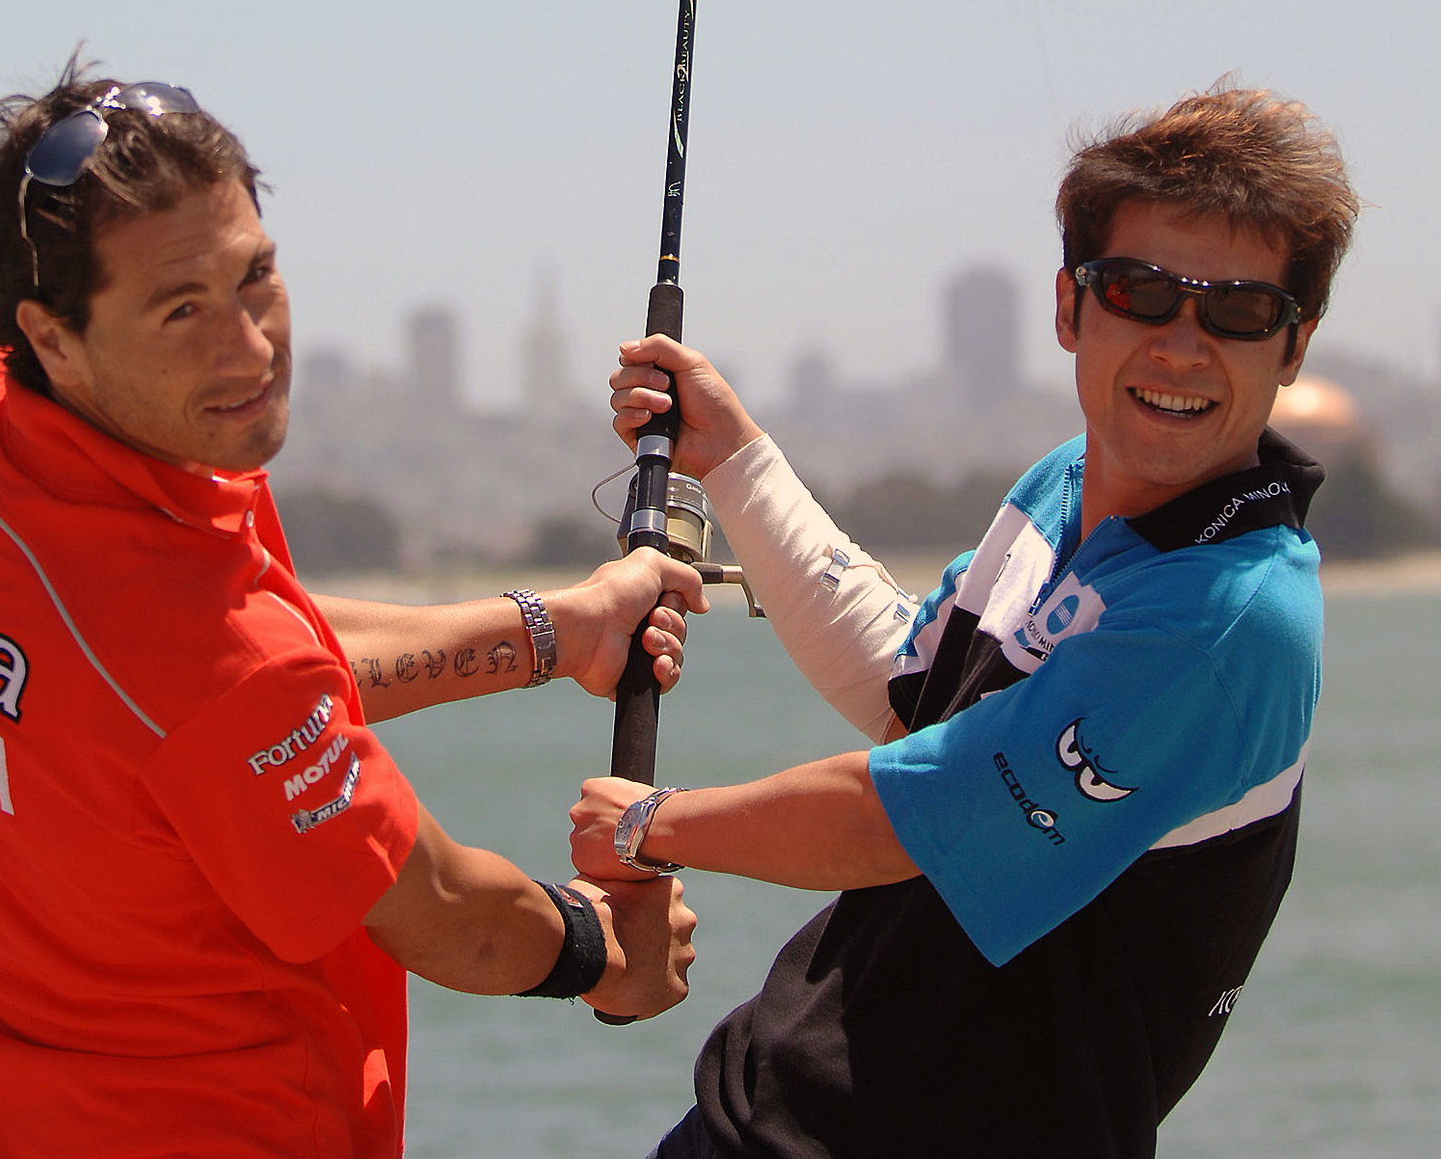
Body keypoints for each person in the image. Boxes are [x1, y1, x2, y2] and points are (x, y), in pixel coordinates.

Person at [0, 63, 705, 1159]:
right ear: (54, 335)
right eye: (181, 309)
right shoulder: (196, 656)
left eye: (254, 275)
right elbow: (447, 915)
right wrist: (603, 945)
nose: (251, 349)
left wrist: (555, 629)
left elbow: (231, 679)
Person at [573, 86, 1358, 1159]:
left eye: (1238, 311)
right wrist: (737, 461)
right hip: (761, 1110)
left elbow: (904, 817)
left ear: (1293, 345)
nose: (1182, 346)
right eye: (1140, 293)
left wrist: (646, 825)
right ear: (1071, 309)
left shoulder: (1229, 621)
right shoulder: (1063, 482)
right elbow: (910, 695)